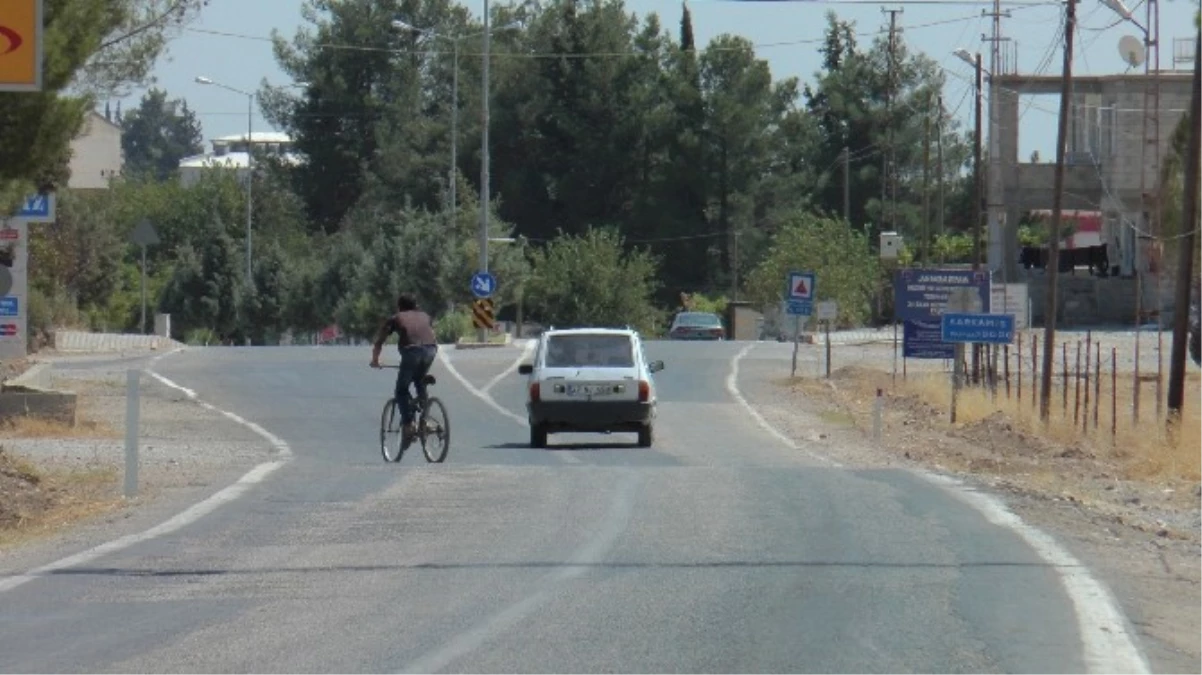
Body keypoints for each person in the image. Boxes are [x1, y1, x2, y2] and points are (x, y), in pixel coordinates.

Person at [370, 293, 439, 445]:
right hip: (431, 350)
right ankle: (425, 418)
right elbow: (431, 334)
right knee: (419, 379)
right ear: (416, 306)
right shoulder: (425, 316)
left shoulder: (396, 318)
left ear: (399, 306)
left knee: (401, 390)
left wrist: (375, 360)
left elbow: (379, 342)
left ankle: (408, 425)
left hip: (411, 352)